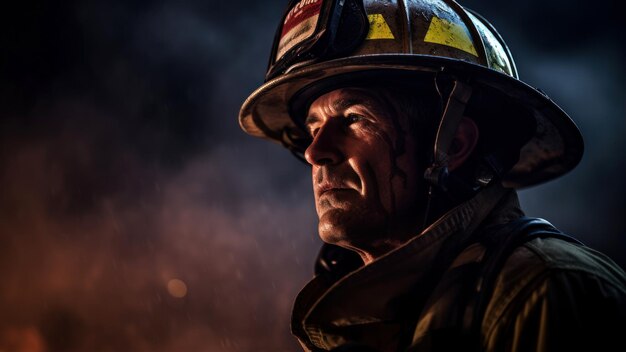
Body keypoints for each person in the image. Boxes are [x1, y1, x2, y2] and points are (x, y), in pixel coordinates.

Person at [239, 0, 626, 351]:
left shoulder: (549, 290)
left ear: (454, 145)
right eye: (313, 128)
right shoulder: (383, 318)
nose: (315, 152)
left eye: (354, 120)